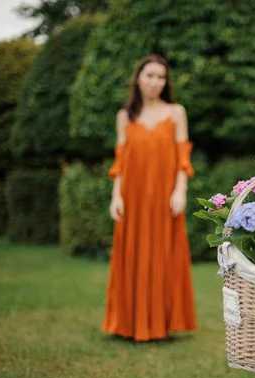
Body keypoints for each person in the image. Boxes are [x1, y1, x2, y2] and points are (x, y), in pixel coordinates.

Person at [102, 54, 196, 341]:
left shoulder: (176, 112)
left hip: (164, 198)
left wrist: (180, 190)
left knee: (163, 255)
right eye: (150, 75)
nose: (155, 82)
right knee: (131, 254)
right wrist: (115, 196)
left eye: (161, 77)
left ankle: (161, 322)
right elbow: (121, 162)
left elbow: (183, 157)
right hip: (133, 197)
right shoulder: (124, 116)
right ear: (138, 79)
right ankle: (130, 323)